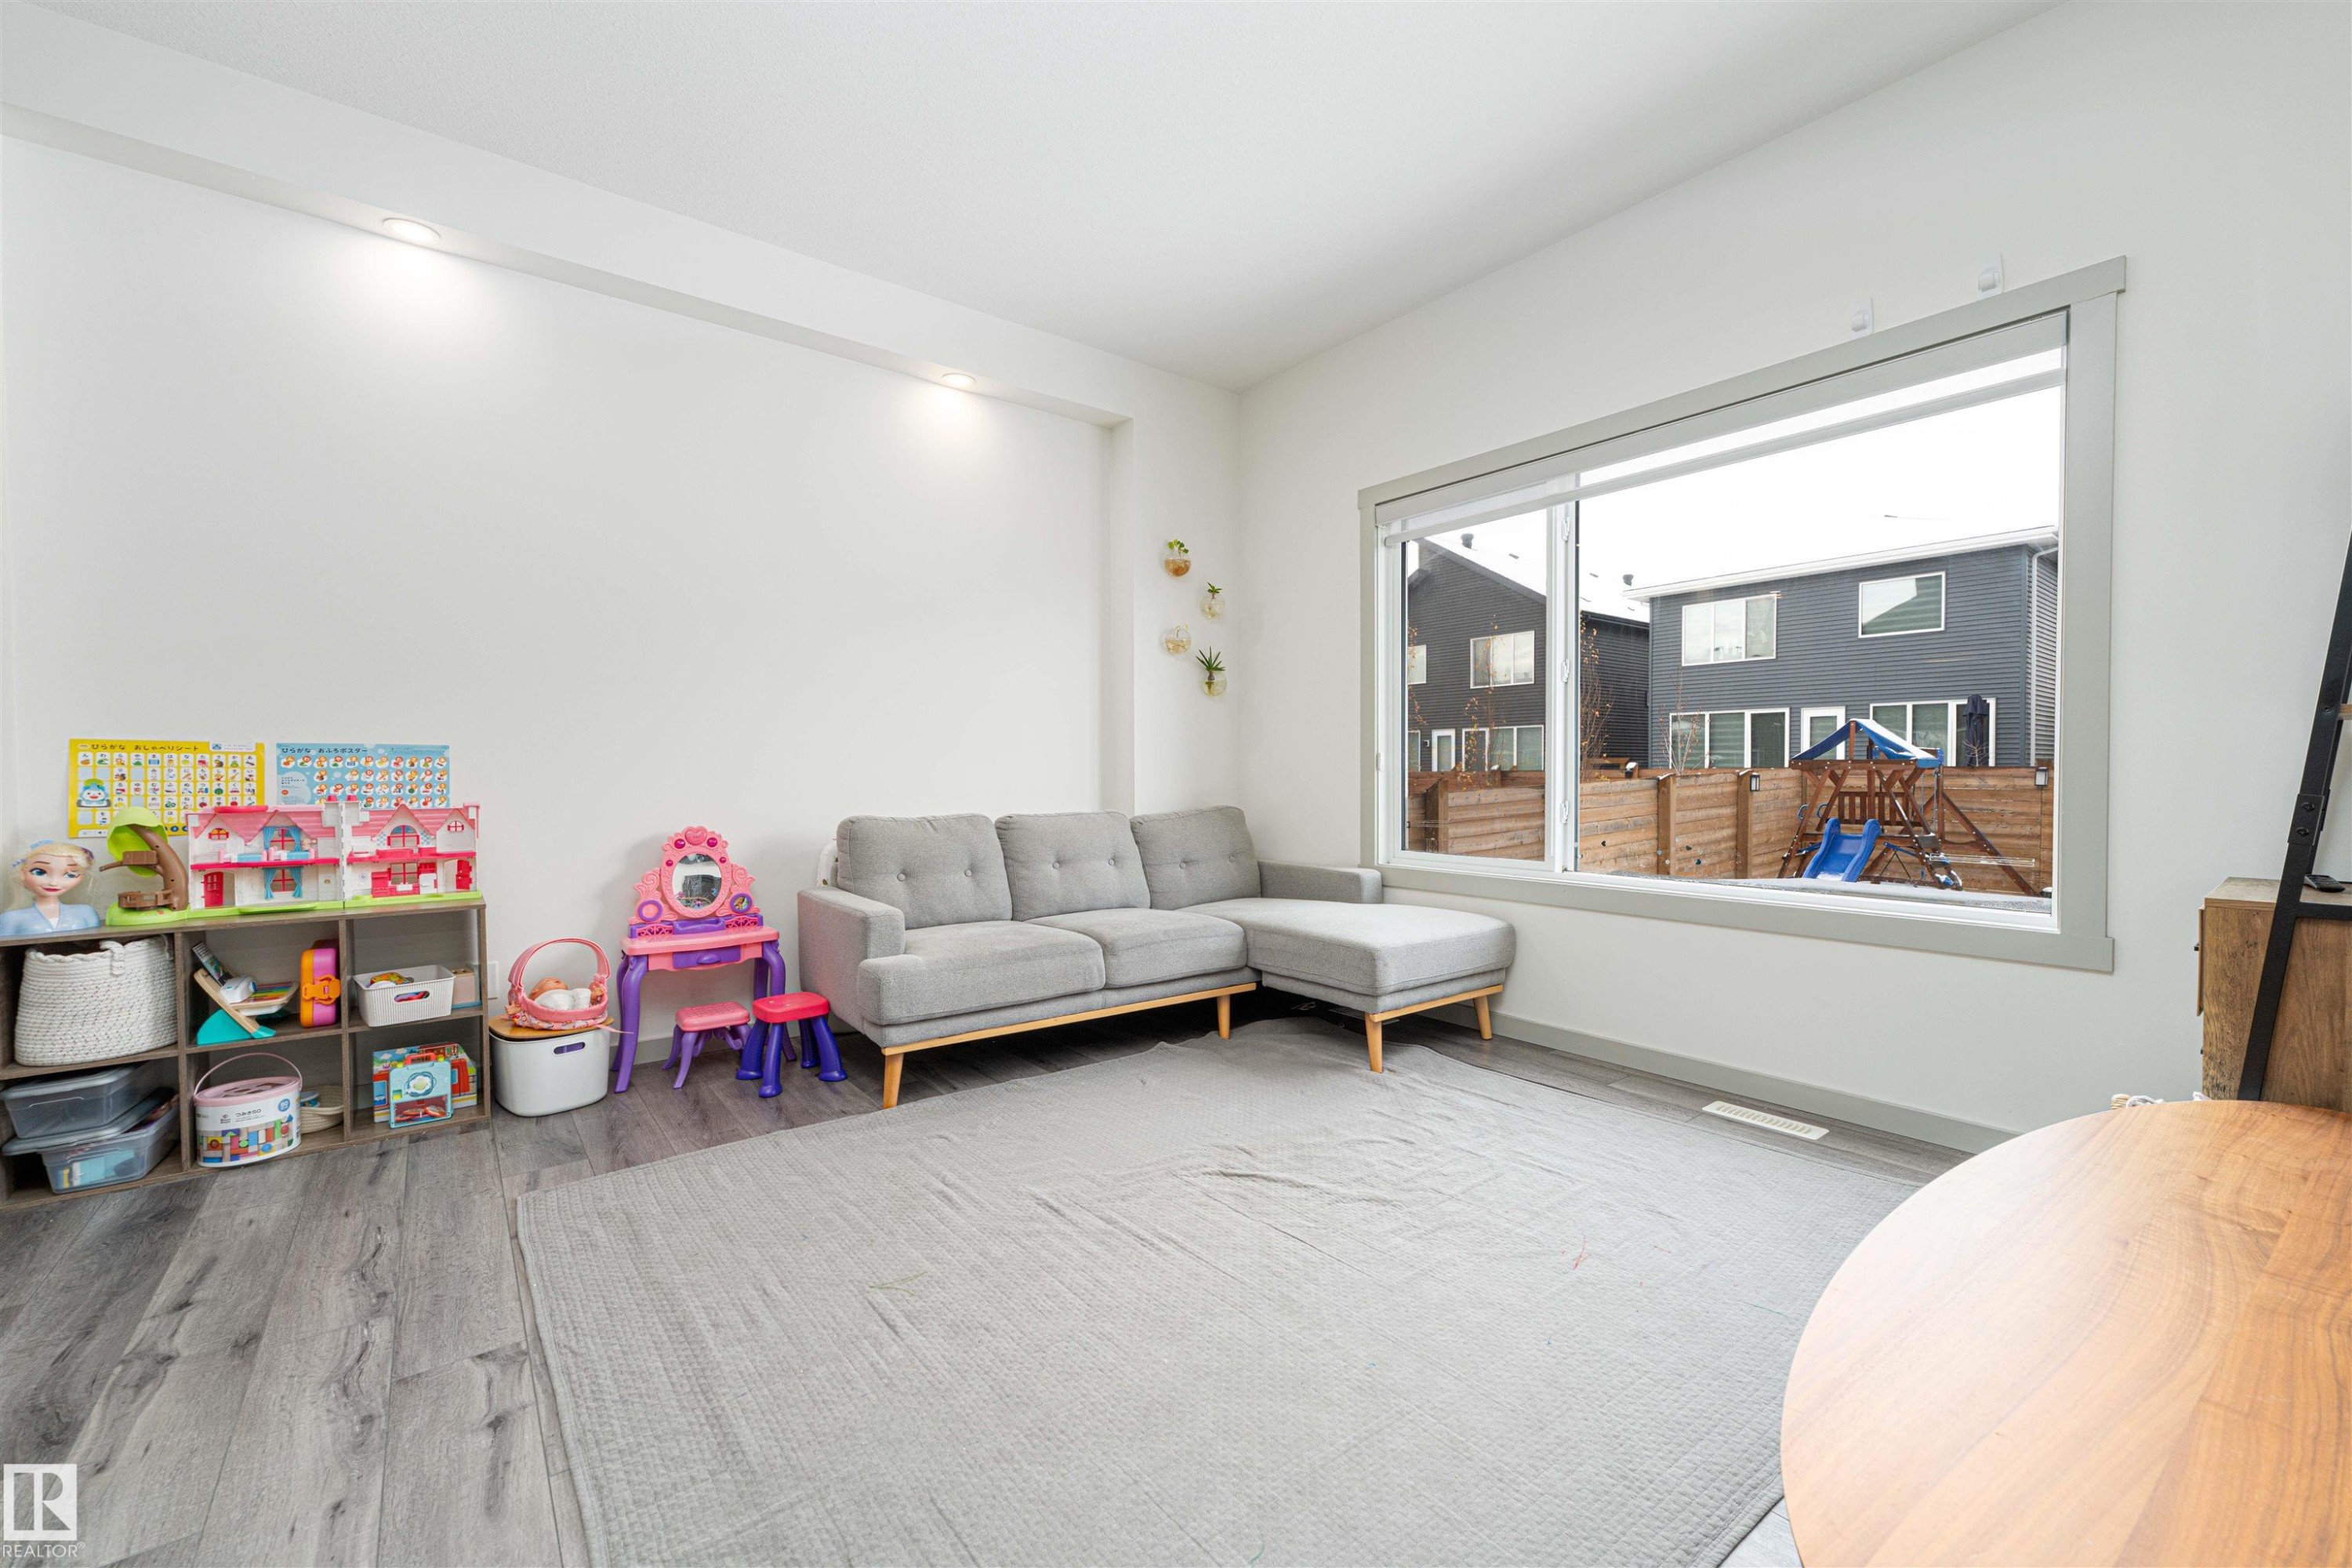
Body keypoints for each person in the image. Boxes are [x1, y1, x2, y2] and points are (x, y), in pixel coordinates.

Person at [0, 839, 103, 935]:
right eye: (39, 872)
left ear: (81, 877)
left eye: (70, 875)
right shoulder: (11, 918)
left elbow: (96, 942)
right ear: (23, 873)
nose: (54, 883)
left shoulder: (85, 912)